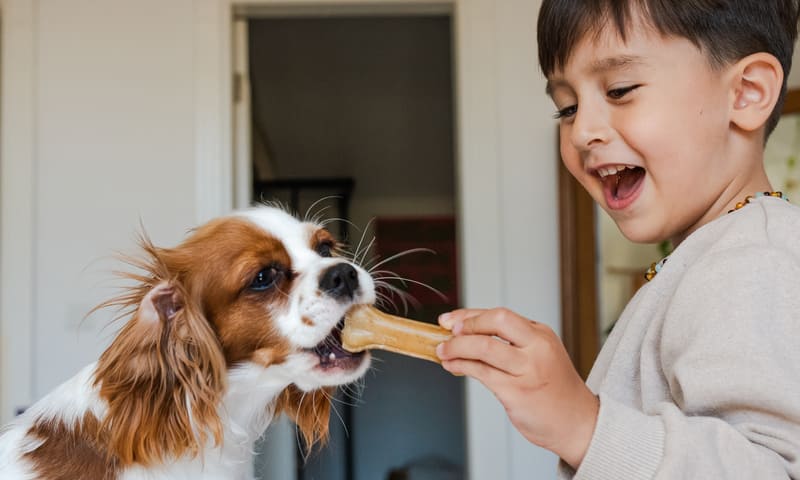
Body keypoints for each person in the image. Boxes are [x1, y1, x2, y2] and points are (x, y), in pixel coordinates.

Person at [435, 1, 800, 478]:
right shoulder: (708, 256)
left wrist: (580, 424)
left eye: (620, 90)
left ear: (747, 93)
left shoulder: (751, 262)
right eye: (566, 107)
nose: (582, 131)